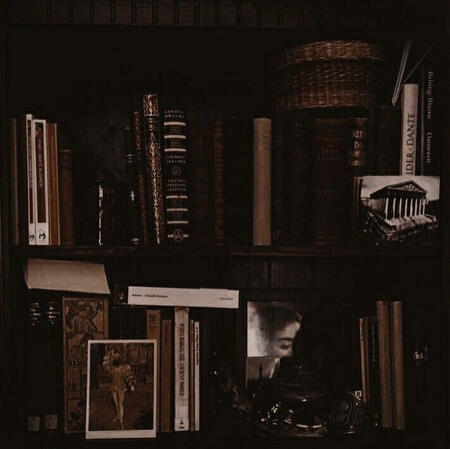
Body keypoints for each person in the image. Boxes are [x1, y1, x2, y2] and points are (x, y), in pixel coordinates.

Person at [102, 349, 136, 429]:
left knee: (120, 403)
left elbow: (129, 376)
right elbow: (105, 363)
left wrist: (131, 385)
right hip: (114, 387)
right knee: (116, 403)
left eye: (116, 359)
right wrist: (111, 354)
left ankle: (121, 420)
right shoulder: (111, 368)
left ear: (119, 360)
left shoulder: (124, 368)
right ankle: (118, 417)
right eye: (114, 358)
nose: (115, 360)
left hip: (121, 387)